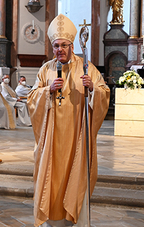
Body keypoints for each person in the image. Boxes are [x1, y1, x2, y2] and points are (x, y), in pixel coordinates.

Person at [27, 14, 110, 227]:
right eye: (56, 46)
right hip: (52, 138)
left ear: (72, 46)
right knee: (51, 179)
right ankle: (52, 221)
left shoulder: (86, 68)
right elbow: (32, 98)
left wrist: (92, 88)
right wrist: (47, 91)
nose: (60, 50)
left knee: (75, 175)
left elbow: (104, 92)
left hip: (76, 135)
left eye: (64, 45)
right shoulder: (46, 69)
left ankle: (76, 219)